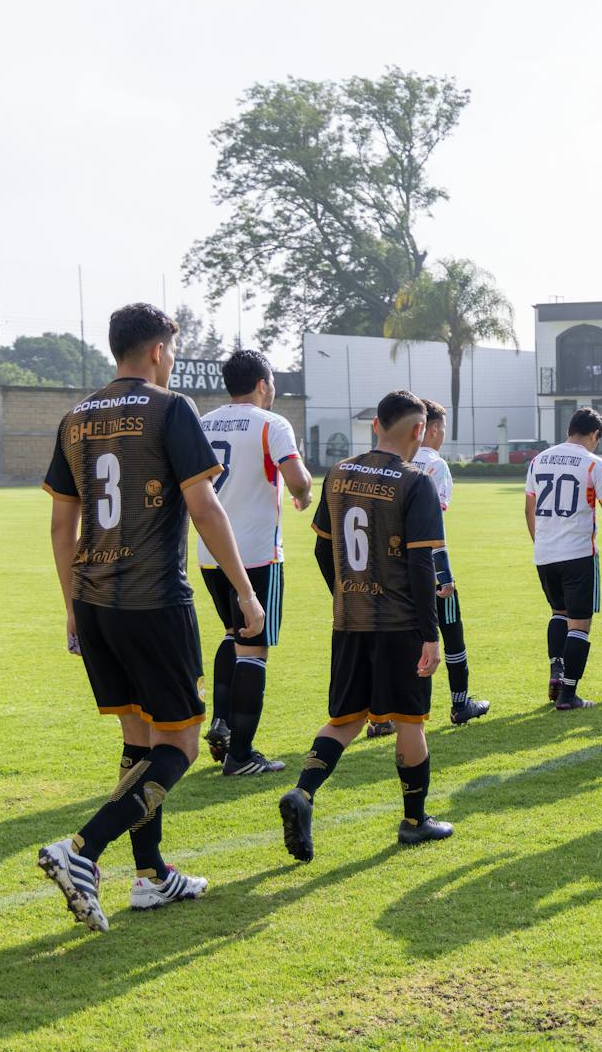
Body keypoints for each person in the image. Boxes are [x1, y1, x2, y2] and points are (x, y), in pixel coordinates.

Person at [36, 303, 263, 931]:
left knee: (139, 740)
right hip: (153, 598)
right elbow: (205, 508)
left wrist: (70, 607)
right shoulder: (171, 408)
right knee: (182, 742)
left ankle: (151, 875)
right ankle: (80, 849)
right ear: (160, 350)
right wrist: (244, 592)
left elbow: (62, 523)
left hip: (93, 600)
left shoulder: (75, 418)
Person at [278, 391, 452, 862]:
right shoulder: (415, 481)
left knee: (346, 718)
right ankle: (415, 821)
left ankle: (303, 792)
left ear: (376, 424)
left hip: (350, 620)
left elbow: (321, 549)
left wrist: (346, 593)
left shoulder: (338, 474)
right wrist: (431, 635)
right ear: (418, 431)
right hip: (399, 625)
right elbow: (421, 567)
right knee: (411, 720)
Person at [196, 348, 311, 776]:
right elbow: (296, 477)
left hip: (211, 553)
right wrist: (304, 492)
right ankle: (241, 756)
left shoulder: (203, 423)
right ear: (263, 384)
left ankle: (221, 720)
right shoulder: (272, 424)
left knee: (232, 633)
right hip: (258, 553)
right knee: (254, 649)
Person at [527, 407, 602, 710]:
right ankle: (568, 695)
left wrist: (542, 542)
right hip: (578, 555)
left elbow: (528, 509)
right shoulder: (593, 463)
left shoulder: (538, 460)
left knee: (559, 613)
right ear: (594, 434)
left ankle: (557, 672)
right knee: (580, 624)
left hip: (545, 554)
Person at [413, 400, 491, 727]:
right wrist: (444, 573)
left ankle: (384, 716)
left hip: (391, 568)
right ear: (432, 429)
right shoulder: (435, 465)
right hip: (428, 567)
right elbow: (433, 526)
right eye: (442, 429)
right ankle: (460, 704)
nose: (443, 436)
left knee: (403, 640)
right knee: (451, 632)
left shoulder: (393, 460)